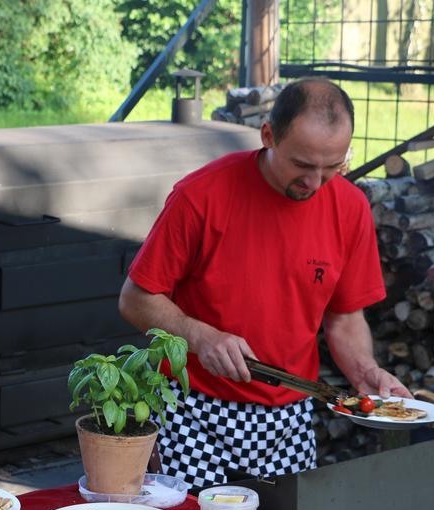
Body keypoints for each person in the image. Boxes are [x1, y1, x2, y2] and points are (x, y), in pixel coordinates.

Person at [118, 77, 411, 488]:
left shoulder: (351, 207)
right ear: (268, 136)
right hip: (193, 411)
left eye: (333, 166)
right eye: (303, 165)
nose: (316, 182)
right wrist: (201, 337)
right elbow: (135, 298)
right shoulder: (201, 196)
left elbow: (345, 319)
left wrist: (366, 373)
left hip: (290, 416)